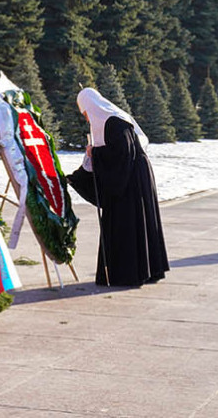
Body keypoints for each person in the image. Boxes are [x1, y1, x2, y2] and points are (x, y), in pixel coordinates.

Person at [72, 88, 169, 287]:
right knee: (133, 222)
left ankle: (128, 274)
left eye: (85, 114)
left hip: (130, 180)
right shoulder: (110, 118)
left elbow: (122, 153)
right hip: (132, 176)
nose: (87, 119)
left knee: (126, 222)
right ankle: (140, 270)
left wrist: (96, 154)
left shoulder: (112, 121)